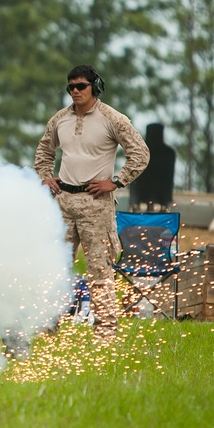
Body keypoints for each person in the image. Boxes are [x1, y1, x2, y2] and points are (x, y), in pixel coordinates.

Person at [34, 65, 150, 343]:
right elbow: (44, 152)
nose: (75, 91)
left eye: (81, 86)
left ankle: (105, 333)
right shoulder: (59, 119)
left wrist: (117, 181)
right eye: (70, 87)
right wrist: (45, 177)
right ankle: (47, 328)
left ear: (95, 87)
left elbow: (141, 154)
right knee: (54, 268)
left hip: (96, 204)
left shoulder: (113, 119)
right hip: (62, 202)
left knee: (99, 271)